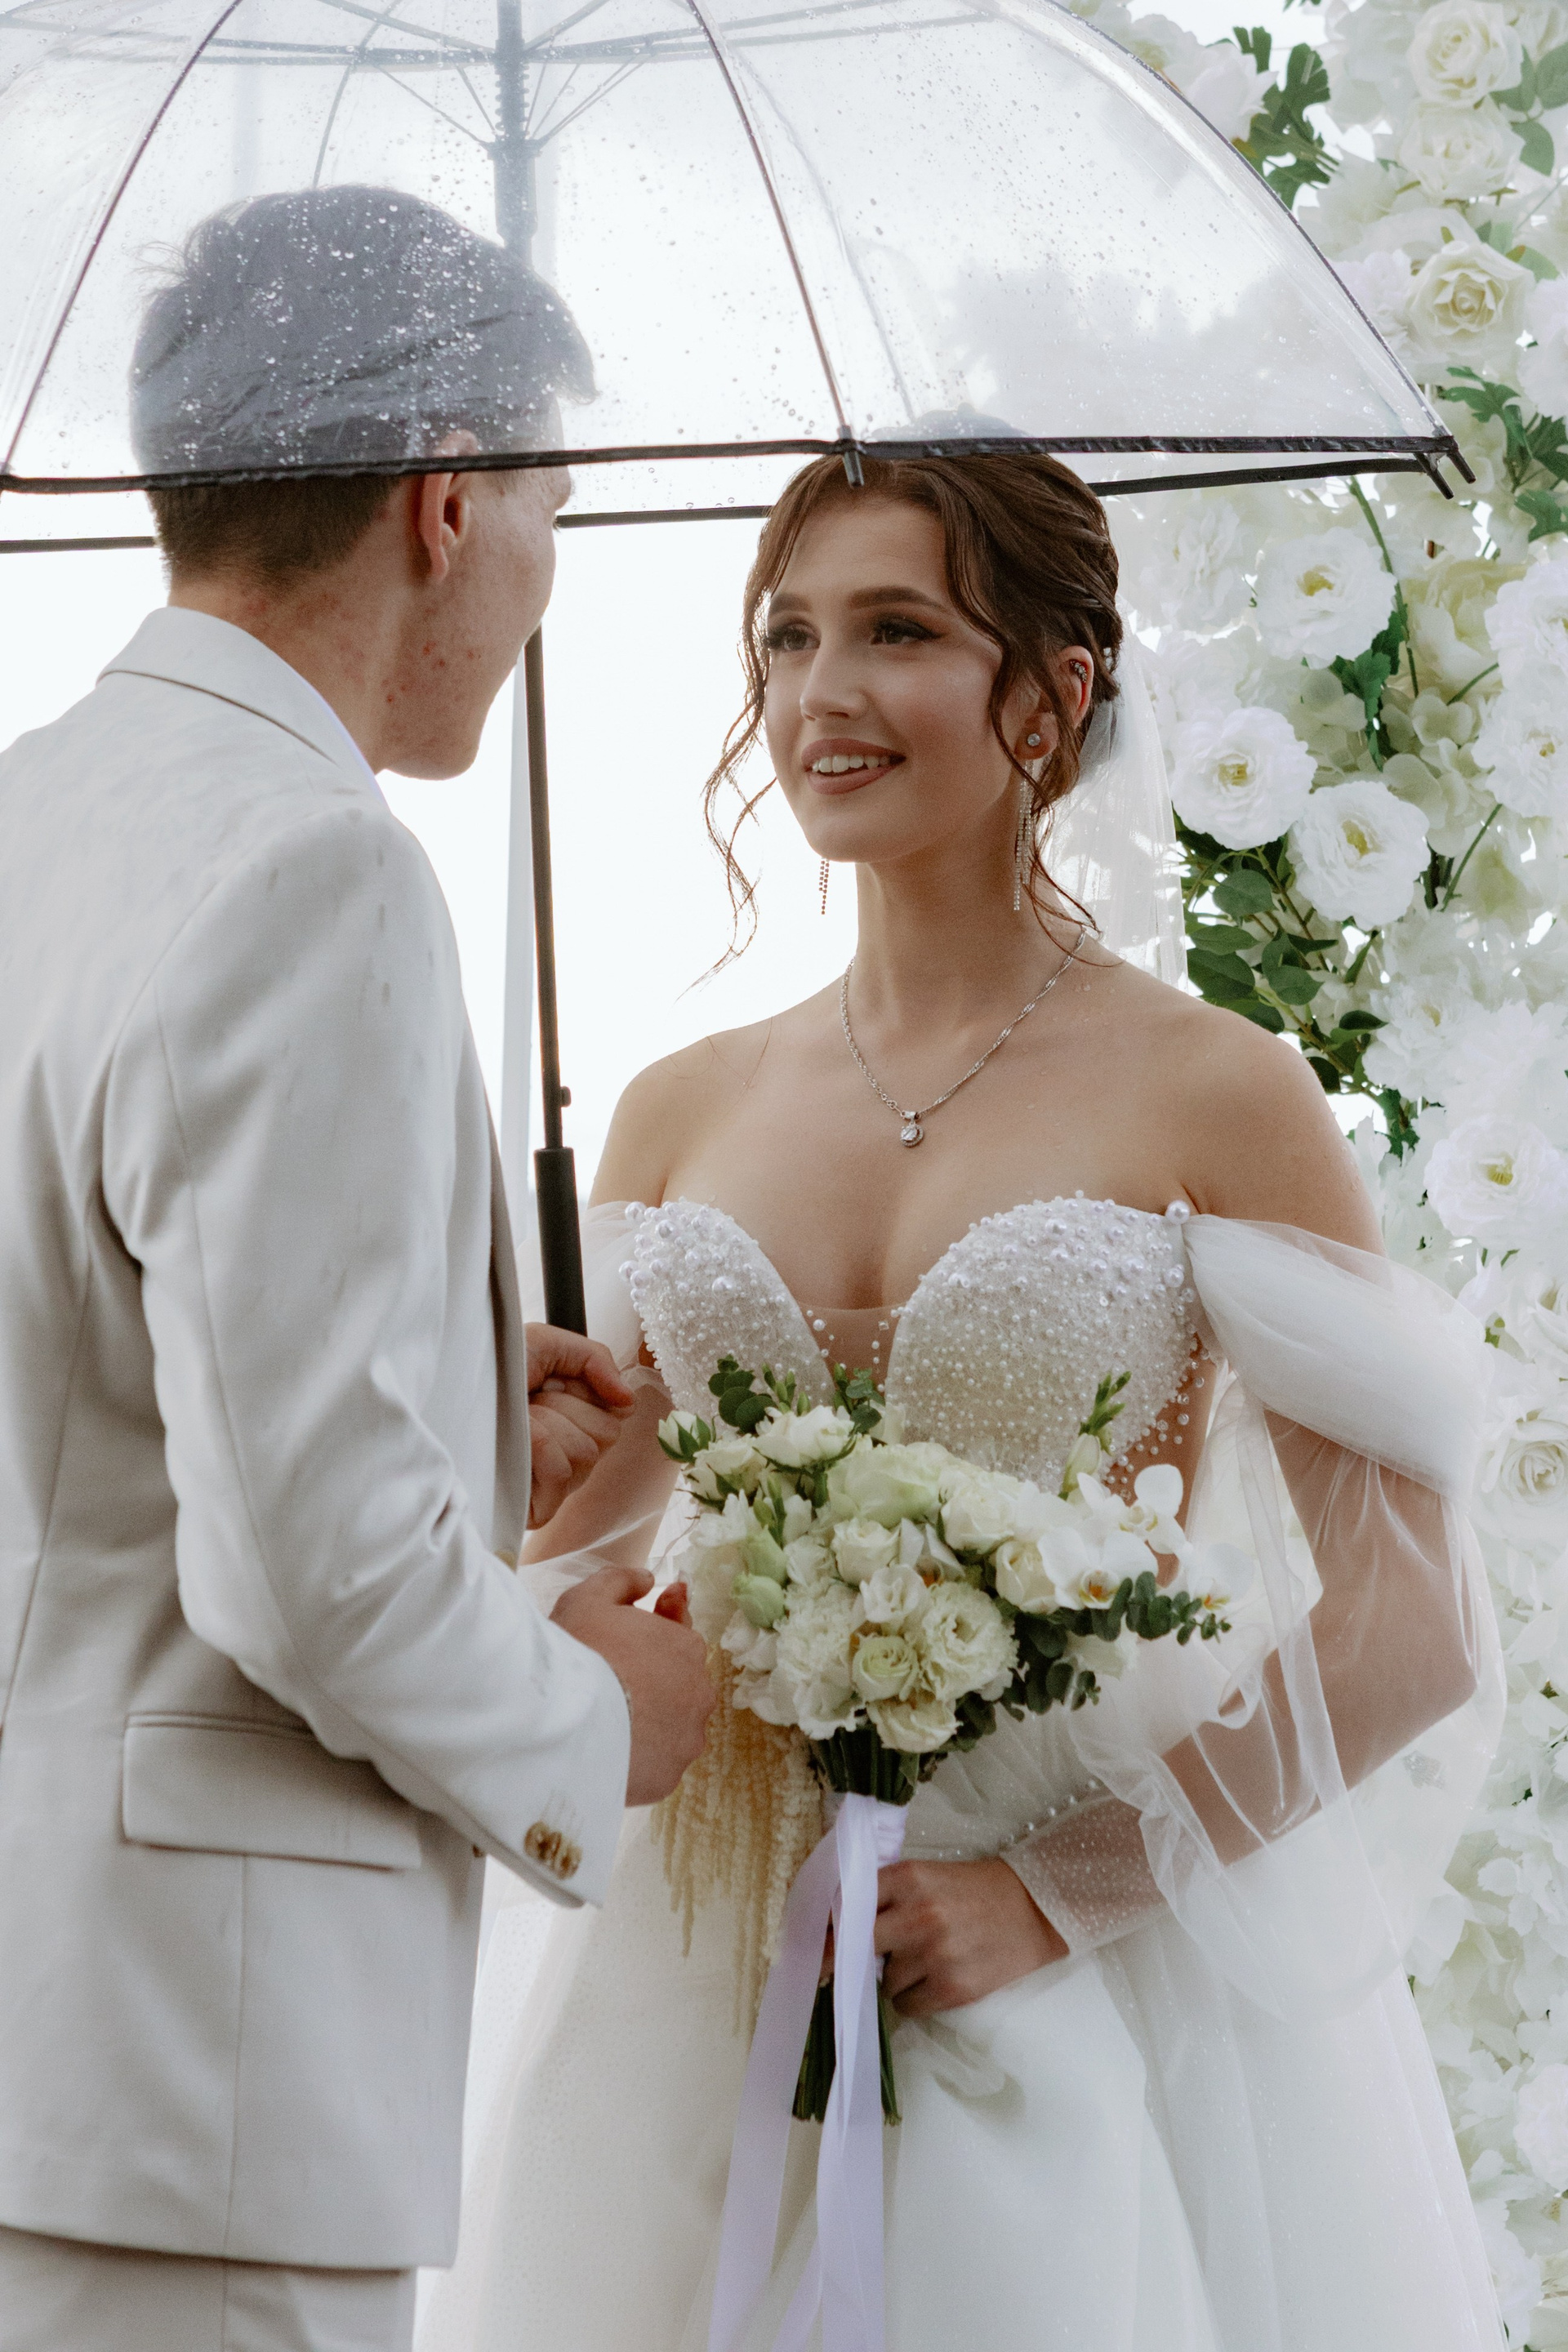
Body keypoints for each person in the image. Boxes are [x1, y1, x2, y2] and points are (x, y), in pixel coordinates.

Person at [420, 448, 1508, 2352]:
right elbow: (564, 1547)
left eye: (897, 630)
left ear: (1052, 693)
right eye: (788, 637)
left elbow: (1407, 1621)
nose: (820, 692)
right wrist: (517, 1468)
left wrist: (1057, 1894)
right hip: (701, 1945)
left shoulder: (1216, 1089)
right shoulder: (678, 1104)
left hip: (1070, 1950)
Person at [0, 185, 712, 2352]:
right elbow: (309, 1580)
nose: (545, 585)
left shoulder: (38, 812)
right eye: (554, 517)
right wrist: (596, 1721)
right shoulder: (316, 870)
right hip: (193, 2088)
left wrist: (436, 1390)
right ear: (447, 499)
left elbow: (72, 1388)